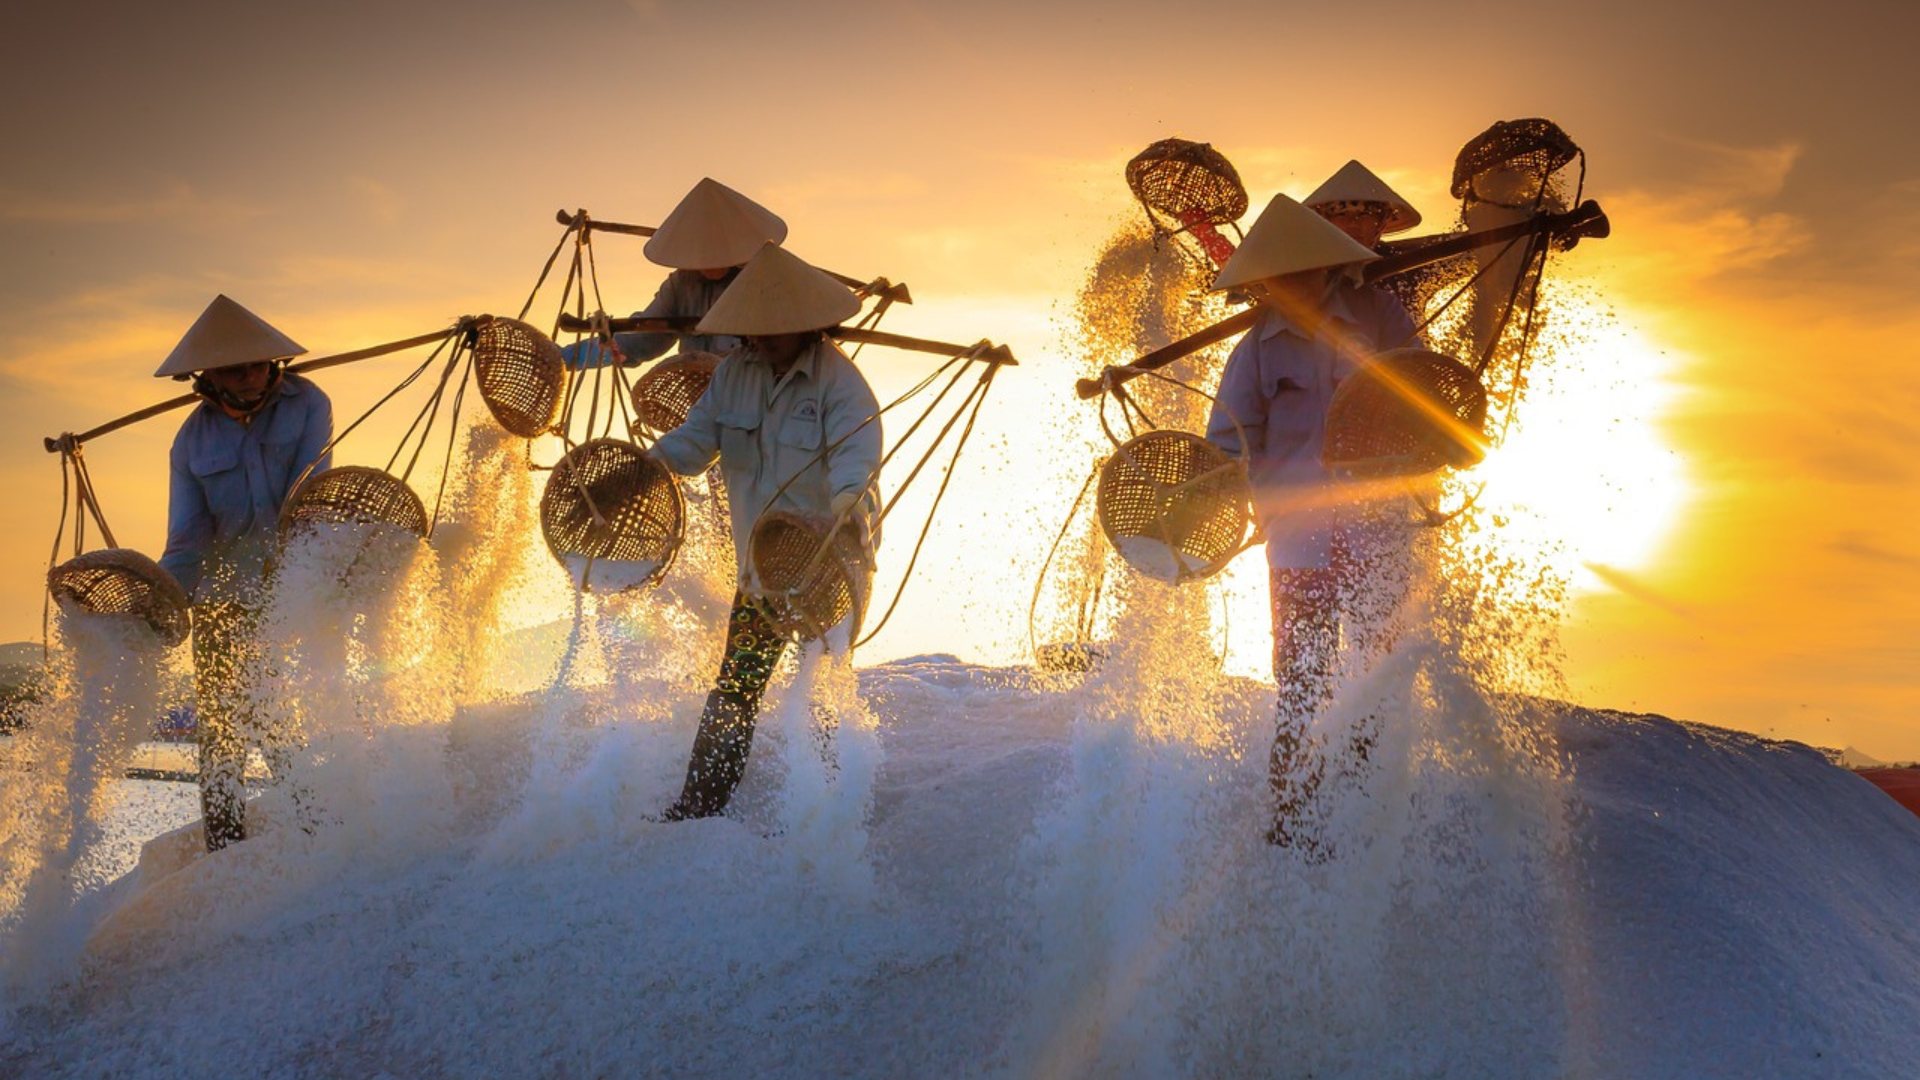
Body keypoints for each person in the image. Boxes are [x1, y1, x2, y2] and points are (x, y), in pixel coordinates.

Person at [1203, 195, 1417, 851]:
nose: (1289, 286)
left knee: (1378, 674)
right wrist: (1222, 485)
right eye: (1277, 278)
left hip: (1378, 527)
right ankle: (1292, 819)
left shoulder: (1378, 315)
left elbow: (1424, 391)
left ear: (1325, 270)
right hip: (1298, 544)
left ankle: (1367, 808)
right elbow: (1227, 442)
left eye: (1301, 273)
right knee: (1300, 678)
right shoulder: (1254, 352)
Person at [646, 243, 883, 820]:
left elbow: (858, 464)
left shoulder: (841, 386)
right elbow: (695, 440)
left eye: (775, 332)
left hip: (829, 564)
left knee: (822, 689)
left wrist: (845, 510)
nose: (762, 341)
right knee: (734, 689)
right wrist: (650, 464)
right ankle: (699, 808)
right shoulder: (733, 375)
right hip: (760, 571)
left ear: (809, 327)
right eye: (754, 332)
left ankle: (827, 816)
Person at [155, 295, 333, 851]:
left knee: (279, 716)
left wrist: (294, 588)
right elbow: (186, 540)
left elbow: (310, 498)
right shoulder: (190, 442)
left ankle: (319, 836)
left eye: (258, 363)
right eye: (236, 367)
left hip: (293, 585)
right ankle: (225, 850)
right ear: (207, 375)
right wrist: (159, 600)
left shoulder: (309, 404)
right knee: (221, 731)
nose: (252, 374)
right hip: (221, 598)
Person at [561, 177, 788, 369]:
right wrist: (563, 359)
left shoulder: (767, 282)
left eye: (716, 251)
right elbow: (641, 339)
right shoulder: (681, 285)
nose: (707, 262)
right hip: (702, 407)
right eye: (700, 253)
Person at [1302, 159, 1423, 251]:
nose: (1353, 223)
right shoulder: (1307, 269)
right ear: (1326, 222)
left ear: (1382, 222)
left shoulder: (1401, 264)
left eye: (1364, 214)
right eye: (1342, 214)